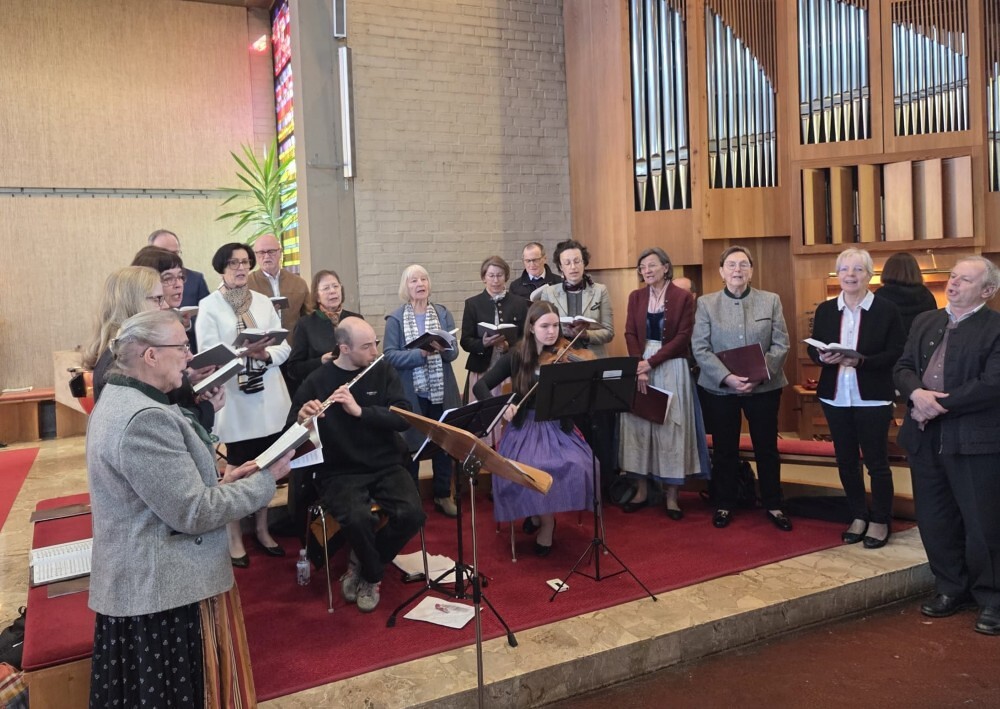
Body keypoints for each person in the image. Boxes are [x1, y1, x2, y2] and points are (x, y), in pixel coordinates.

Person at [87, 309, 294, 708]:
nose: (189, 356)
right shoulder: (144, 418)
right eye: (182, 347)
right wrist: (265, 480)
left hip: (152, 584)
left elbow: (171, 492)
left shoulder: (123, 398)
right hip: (162, 595)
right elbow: (194, 512)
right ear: (150, 355)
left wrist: (228, 482)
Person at [893, 255, 1000, 636]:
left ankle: (992, 598)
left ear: (988, 291)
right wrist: (916, 393)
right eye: (953, 276)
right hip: (924, 437)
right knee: (934, 518)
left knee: (982, 521)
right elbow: (903, 367)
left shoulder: (995, 327)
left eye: (965, 280)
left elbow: (993, 383)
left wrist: (937, 404)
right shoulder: (926, 320)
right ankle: (951, 588)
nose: (953, 283)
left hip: (973, 440)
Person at [291, 317, 425, 612]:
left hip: (386, 463)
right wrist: (303, 419)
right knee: (355, 518)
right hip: (340, 469)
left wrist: (361, 411)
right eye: (367, 347)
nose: (375, 351)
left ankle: (364, 566)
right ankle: (373, 573)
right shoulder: (317, 380)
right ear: (344, 348)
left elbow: (404, 417)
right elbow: (291, 431)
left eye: (375, 343)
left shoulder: (383, 370)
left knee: (413, 514)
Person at [196, 243, 292, 567]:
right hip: (235, 401)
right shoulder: (209, 305)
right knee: (237, 469)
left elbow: (284, 348)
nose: (240, 268)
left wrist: (264, 353)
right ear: (221, 268)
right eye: (234, 263)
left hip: (268, 399)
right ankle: (234, 536)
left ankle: (262, 530)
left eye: (245, 262)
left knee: (266, 465)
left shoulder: (264, 302)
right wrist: (242, 353)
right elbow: (208, 355)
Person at [473, 301, 594, 556]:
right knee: (533, 468)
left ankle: (541, 515)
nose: (551, 332)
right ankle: (546, 522)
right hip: (524, 428)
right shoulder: (516, 356)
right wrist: (502, 407)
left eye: (555, 326)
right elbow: (480, 386)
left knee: (580, 464)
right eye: (544, 326)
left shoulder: (563, 355)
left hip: (557, 426)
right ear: (530, 327)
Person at [807, 248, 905, 548]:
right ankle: (858, 515)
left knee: (877, 463)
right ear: (838, 274)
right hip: (836, 396)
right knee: (846, 461)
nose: (850, 275)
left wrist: (862, 362)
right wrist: (822, 357)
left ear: (869, 274)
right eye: (845, 269)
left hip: (872, 397)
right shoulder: (826, 309)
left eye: (858, 269)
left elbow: (897, 352)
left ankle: (880, 519)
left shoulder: (887, 309)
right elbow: (813, 348)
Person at [692, 245, 792, 531]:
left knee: (766, 447)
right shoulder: (707, 304)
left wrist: (759, 376)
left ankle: (773, 503)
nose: (737, 270)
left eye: (743, 264)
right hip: (720, 389)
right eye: (731, 265)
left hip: (764, 388)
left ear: (751, 270)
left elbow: (781, 344)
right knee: (725, 449)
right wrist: (727, 378)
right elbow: (700, 347)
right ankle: (724, 503)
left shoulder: (770, 300)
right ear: (721, 272)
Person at [619, 248, 708, 519]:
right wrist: (639, 366)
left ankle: (672, 497)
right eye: (642, 267)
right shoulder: (636, 297)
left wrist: (651, 363)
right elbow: (630, 332)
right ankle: (641, 491)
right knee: (638, 425)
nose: (646, 270)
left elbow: (683, 336)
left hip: (671, 364)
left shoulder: (683, 297)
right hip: (639, 365)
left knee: (671, 428)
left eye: (652, 265)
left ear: (666, 267)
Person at [532, 239, 617, 492]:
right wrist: (562, 332)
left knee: (599, 426)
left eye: (577, 261)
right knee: (571, 425)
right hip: (562, 363)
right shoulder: (549, 293)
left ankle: (603, 484)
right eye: (567, 262)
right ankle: (575, 485)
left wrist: (586, 333)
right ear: (560, 267)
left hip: (592, 363)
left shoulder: (600, 290)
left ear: (584, 263)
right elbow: (543, 329)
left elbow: (609, 332)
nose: (573, 266)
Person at [384, 265, 461, 517]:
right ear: (405, 287)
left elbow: (453, 353)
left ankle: (442, 494)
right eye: (414, 280)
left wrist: (443, 347)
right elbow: (389, 356)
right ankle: (412, 499)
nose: (420, 284)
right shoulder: (395, 319)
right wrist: (421, 354)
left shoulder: (443, 313)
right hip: (411, 393)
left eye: (424, 279)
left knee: (443, 443)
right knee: (412, 446)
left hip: (442, 391)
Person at [459, 255, 529, 422]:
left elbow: (526, 338)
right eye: (491, 275)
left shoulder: (519, 303)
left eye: (499, 275)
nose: (496, 280)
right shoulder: (472, 304)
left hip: (510, 369)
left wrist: (509, 346)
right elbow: (465, 341)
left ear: (506, 277)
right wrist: (482, 344)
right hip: (481, 369)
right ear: (484, 278)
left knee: (507, 416)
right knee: (483, 417)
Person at [286, 269, 362, 385]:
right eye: (326, 288)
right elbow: (293, 369)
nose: (332, 291)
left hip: (354, 383)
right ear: (317, 296)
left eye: (335, 286)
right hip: (321, 387)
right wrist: (320, 361)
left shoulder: (356, 319)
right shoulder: (305, 324)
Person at [148, 228, 210, 351]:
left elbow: (207, 316)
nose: (178, 284)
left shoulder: (195, 279)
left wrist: (187, 323)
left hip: (190, 348)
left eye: (175, 253)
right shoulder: (142, 282)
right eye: (164, 253)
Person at [248, 233, 310, 337]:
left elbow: (309, 318)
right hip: (262, 343)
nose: (266, 256)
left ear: (280, 252)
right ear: (255, 256)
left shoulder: (298, 283)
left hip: (294, 343)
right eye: (261, 252)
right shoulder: (247, 284)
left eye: (271, 251)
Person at [874, 251, 938, 335]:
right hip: (919, 343)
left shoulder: (879, 296)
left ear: (887, 271)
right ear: (915, 272)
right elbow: (934, 327)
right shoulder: (927, 295)